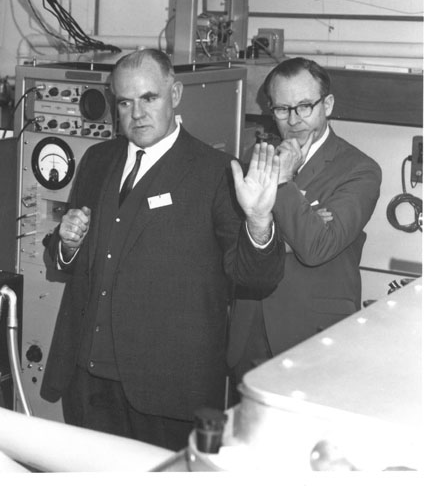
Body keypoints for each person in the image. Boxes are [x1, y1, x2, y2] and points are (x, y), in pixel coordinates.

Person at [40, 48, 285, 451]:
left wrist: (259, 220)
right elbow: (71, 260)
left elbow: (256, 278)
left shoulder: (214, 172)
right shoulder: (97, 160)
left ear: (175, 95)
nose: (136, 113)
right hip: (86, 382)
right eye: (124, 102)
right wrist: (66, 243)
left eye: (148, 98)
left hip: (163, 393)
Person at [227, 57, 382, 386]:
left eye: (304, 107)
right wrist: (286, 236)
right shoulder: (252, 161)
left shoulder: (360, 170)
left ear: (327, 104)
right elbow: (230, 242)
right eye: (282, 109)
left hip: (313, 335)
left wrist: (283, 183)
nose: (294, 120)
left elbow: (316, 247)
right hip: (249, 332)